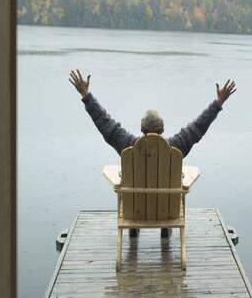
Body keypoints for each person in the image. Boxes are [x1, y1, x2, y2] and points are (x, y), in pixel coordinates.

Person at [69, 69, 236, 237]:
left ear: (141, 129)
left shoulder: (128, 145)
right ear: (162, 129)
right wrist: (218, 102)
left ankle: (133, 227)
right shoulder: (175, 148)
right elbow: (198, 127)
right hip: (167, 211)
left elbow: (104, 122)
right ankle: (165, 227)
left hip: (134, 210)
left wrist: (86, 95)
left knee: (126, 183)